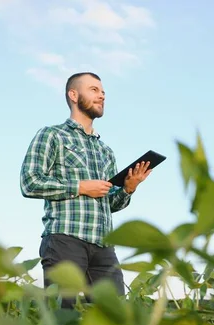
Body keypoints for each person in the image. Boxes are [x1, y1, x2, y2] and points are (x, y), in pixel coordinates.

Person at [20, 72, 152, 308]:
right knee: (62, 312)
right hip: (65, 239)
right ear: (73, 95)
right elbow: (29, 182)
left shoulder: (106, 151)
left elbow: (111, 203)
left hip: (103, 246)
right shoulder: (52, 135)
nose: (101, 95)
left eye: (102, 92)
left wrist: (129, 189)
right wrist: (81, 187)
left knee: (115, 316)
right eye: (94, 90)